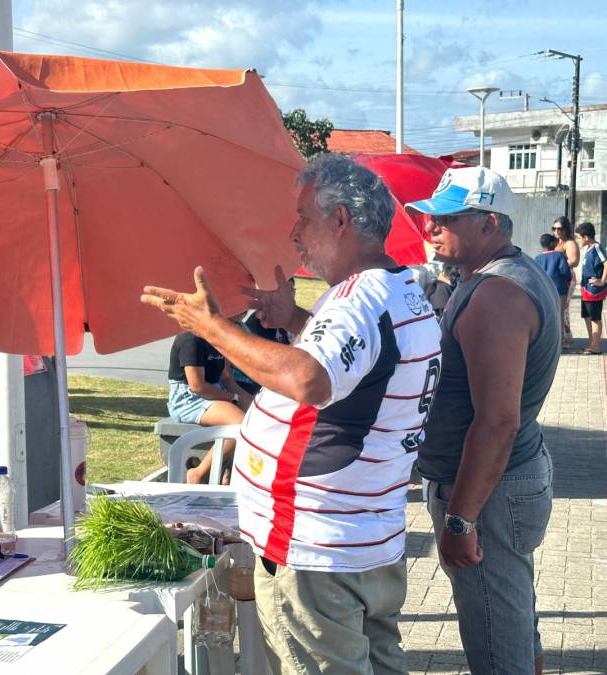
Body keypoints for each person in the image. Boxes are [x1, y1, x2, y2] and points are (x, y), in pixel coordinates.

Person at [143, 153, 442, 674]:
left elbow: (309, 379)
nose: (294, 230)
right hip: (360, 538)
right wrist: (295, 318)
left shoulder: (357, 300)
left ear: (342, 219)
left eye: (304, 216)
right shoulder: (396, 292)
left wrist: (210, 326)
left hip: (317, 546)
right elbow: (363, 370)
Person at [406, 165, 560, 674]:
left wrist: (459, 518)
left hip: (488, 492)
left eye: (447, 219)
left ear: (489, 223)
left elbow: (497, 422)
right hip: (506, 480)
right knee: (514, 623)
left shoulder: (496, 296)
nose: (432, 229)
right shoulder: (504, 277)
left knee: (497, 642)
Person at [167, 330, 251, 483]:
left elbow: (227, 379)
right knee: (240, 423)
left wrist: (252, 403)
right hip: (189, 399)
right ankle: (198, 474)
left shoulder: (219, 336)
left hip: (216, 390)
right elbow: (197, 386)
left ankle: (229, 474)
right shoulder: (190, 338)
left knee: (258, 415)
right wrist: (234, 398)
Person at [575, 221, 607, 355]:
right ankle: (591, 343)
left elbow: (606, 263)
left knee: (595, 318)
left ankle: (596, 346)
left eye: (579, 237)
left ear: (586, 237)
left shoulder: (597, 247)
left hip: (594, 290)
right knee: (587, 316)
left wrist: (602, 281)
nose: (578, 240)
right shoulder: (588, 250)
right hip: (586, 289)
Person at [553, 216, 580, 346]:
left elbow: (574, 261)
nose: (557, 231)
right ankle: (563, 337)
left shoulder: (569, 243)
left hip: (566, 278)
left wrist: (557, 266)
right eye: (554, 228)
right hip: (557, 278)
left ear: (566, 229)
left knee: (563, 308)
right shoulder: (556, 243)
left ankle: (566, 338)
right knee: (558, 308)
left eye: (560, 228)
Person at [534, 232, 572, 320]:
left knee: (547, 314)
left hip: (544, 290)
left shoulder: (538, 258)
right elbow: (565, 271)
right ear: (551, 243)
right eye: (555, 241)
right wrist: (569, 279)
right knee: (559, 315)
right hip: (559, 289)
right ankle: (559, 334)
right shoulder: (559, 255)